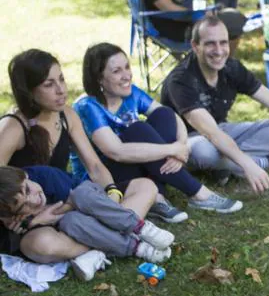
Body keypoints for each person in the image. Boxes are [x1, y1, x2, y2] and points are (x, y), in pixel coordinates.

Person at [0, 49, 155, 273]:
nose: (61, 89)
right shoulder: (13, 127)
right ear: (29, 92)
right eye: (49, 84)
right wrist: (30, 221)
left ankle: (95, 243)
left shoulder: (67, 115)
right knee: (43, 245)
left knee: (145, 186)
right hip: (34, 218)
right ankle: (108, 240)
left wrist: (112, 194)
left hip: (69, 198)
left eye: (61, 79)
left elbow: (94, 166)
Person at [72, 43, 244, 223]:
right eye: (116, 71)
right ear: (99, 79)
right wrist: (171, 150)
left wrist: (181, 145)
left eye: (127, 67)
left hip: (137, 163)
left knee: (164, 115)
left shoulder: (130, 93)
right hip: (104, 177)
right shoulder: (88, 107)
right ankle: (198, 193)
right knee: (138, 129)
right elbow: (116, 151)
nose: (127, 75)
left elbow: (172, 117)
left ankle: (157, 196)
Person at [161, 16, 269, 193]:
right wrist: (249, 165)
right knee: (205, 152)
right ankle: (265, 161)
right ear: (195, 46)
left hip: (222, 131)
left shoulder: (231, 68)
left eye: (223, 43)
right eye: (210, 44)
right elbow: (211, 132)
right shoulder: (180, 80)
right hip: (189, 141)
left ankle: (225, 166)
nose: (219, 51)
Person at [0, 166, 174, 280]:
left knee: (145, 186)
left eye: (28, 189)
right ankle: (138, 248)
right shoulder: (11, 219)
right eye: (24, 205)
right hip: (78, 226)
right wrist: (33, 222)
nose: (34, 200)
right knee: (71, 222)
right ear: (10, 215)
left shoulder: (45, 176)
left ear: (26, 176)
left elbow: (79, 201)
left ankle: (140, 228)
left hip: (92, 204)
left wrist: (53, 213)